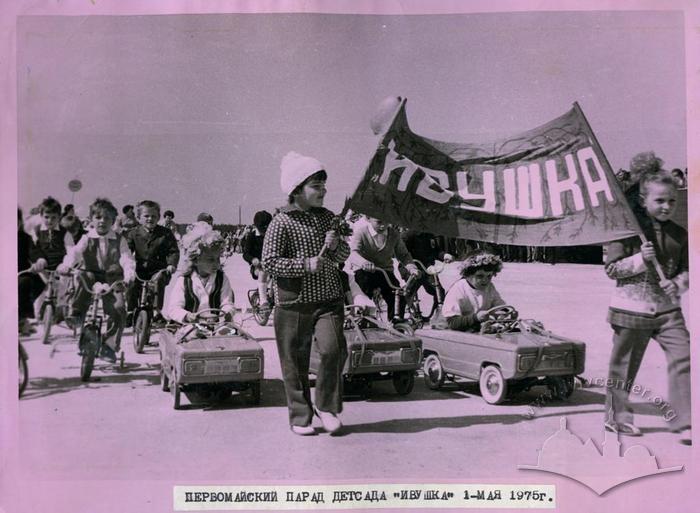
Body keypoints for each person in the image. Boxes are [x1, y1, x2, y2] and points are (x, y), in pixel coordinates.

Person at [262, 151, 350, 436]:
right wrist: (304, 264)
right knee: (294, 361)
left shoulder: (329, 218)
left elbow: (344, 255)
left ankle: (327, 407)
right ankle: (301, 416)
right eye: (316, 186)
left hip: (329, 299)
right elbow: (269, 263)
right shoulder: (281, 222)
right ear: (297, 189)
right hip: (294, 302)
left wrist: (336, 246)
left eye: (324, 185)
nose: (323, 191)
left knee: (334, 350)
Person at [604, 170, 690, 443]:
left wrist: (677, 284)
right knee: (624, 366)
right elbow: (612, 269)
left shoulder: (680, 233)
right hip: (631, 308)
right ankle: (617, 418)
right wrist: (640, 258)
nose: (667, 207)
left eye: (672, 201)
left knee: (684, 355)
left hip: (667, 310)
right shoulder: (625, 231)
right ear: (643, 201)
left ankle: (685, 421)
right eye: (660, 201)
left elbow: (688, 269)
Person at [58, 198, 135, 362]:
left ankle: (109, 345)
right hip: (91, 275)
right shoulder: (87, 238)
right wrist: (66, 265)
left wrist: (129, 274)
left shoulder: (119, 239)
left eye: (107, 218)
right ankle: (77, 313)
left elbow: (126, 258)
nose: (102, 222)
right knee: (82, 276)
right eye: (98, 217)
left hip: (112, 278)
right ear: (92, 219)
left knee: (119, 308)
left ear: (113, 221)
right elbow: (75, 253)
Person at [348, 216, 420, 322]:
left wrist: (412, 268)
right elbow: (353, 253)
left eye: (387, 221)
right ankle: (366, 320)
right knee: (365, 294)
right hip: (365, 272)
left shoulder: (393, 234)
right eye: (379, 222)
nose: (383, 225)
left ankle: (395, 323)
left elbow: (403, 255)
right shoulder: (361, 233)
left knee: (398, 296)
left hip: (385, 271)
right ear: (368, 219)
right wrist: (363, 262)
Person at [166, 221, 235, 323]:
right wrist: (186, 315)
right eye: (210, 260)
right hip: (190, 326)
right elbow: (173, 308)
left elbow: (227, 303)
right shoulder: (185, 280)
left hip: (216, 325)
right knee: (192, 334)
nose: (216, 264)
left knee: (231, 333)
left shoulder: (222, 279)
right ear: (196, 259)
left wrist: (226, 313)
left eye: (218, 259)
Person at [126, 200, 180, 321]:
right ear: (139, 218)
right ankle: (130, 310)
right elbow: (127, 251)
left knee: (158, 281)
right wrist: (127, 265)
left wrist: (171, 264)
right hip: (139, 269)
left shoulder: (165, 233)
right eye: (146, 216)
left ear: (159, 217)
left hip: (158, 269)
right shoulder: (133, 233)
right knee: (131, 282)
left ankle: (157, 311)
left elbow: (173, 250)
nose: (150, 219)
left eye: (153, 216)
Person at [441, 251, 506, 332]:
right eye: (480, 276)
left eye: (489, 276)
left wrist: (504, 314)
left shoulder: (489, 287)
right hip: (459, 332)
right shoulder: (459, 289)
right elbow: (452, 322)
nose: (485, 280)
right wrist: (476, 318)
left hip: (481, 328)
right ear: (468, 275)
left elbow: (499, 304)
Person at [399, 229, 453, 318]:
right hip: (411, 268)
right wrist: (423, 266)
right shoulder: (407, 236)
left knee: (438, 291)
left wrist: (444, 255)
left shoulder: (429, 234)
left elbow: (435, 251)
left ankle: (438, 316)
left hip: (428, 270)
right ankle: (400, 317)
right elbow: (403, 255)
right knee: (408, 292)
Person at [242, 210, 273, 308]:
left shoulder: (272, 235)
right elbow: (245, 254)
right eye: (262, 230)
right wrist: (253, 259)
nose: (264, 232)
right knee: (263, 272)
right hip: (257, 266)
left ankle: (271, 294)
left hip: (271, 264)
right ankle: (263, 301)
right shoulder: (252, 236)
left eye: (266, 229)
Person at [18, 208, 38, 336]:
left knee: (26, 282)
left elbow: (34, 251)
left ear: (20, 222)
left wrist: (39, 260)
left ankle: (21, 319)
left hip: (21, 272)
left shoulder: (25, 238)